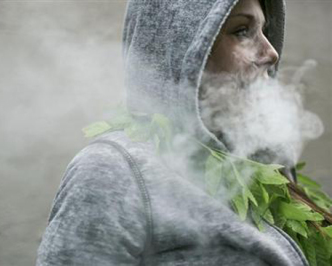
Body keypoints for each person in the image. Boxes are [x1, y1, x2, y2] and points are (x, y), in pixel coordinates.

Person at [36, 0, 331, 265]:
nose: (271, 52)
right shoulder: (112, 170)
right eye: (242, 30)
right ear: (179, 48)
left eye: (265, 30)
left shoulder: (264, 160)